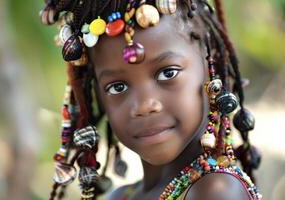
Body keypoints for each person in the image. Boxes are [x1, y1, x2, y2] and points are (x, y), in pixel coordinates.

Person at [40, 0, 262, 199]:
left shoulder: (216, 190)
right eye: (117, 87)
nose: (145, 105)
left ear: (211, 67)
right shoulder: (120, 196)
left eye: (168, 73)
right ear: (98, 95)